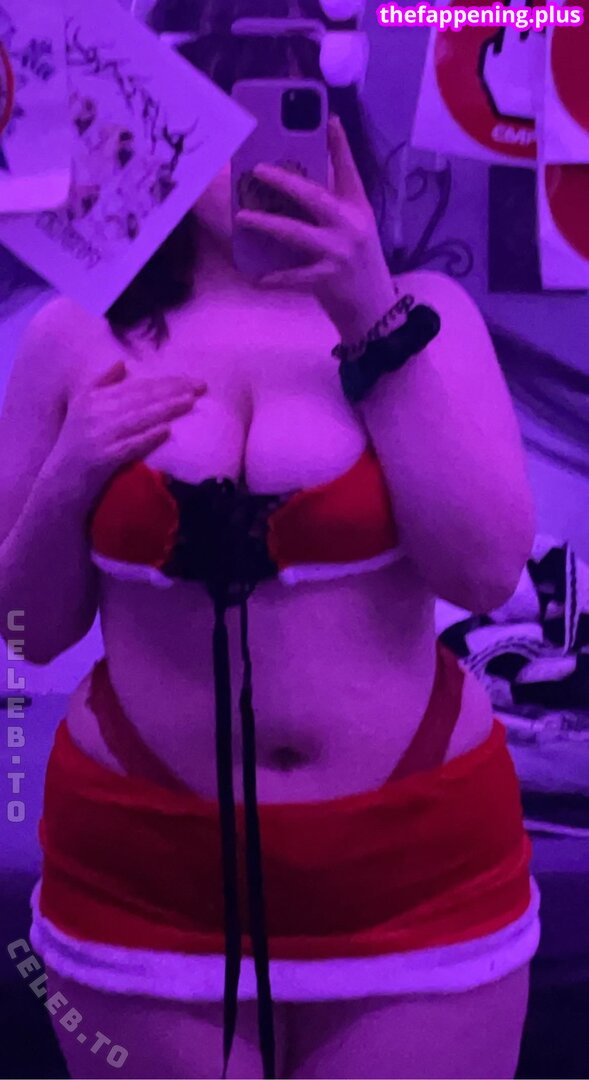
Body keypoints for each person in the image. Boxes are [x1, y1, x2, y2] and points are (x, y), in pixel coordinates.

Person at [0, 2, 539, 1077]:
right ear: (161, 139)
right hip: (139, 877)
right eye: (218, 122)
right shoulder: (71, 336)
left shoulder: (425, 314)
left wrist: (370, 313)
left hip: (416, 874)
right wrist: (67, 480)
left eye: (286, 116)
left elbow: (483, 573)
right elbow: (26, 629)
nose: (253, 160)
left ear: (337, 134)